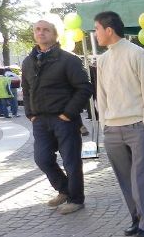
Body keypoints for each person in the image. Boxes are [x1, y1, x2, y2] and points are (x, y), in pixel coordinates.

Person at [94, 11, 144, 237]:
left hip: (136, 126)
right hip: (112, 129)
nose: (96, 34)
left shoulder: (137, 54)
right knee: (124, 178)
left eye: (97, 29)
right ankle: (136, 217)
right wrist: (104, 124)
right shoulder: (102, 60)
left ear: (109, 30)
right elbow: (101, 96)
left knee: (140, 177)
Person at [21, 16, 92, 214]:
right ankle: (64, 189)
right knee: (42, 159)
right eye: (37, 29)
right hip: (40, 120)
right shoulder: (28, 61)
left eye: (45, 29)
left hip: (64, 120)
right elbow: (26, 90)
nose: (40, 32)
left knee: (71, 161)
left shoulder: (68, 59)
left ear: (55, 34)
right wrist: (30, 114)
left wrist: (68, 113)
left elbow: (84, 88)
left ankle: (76, 199)